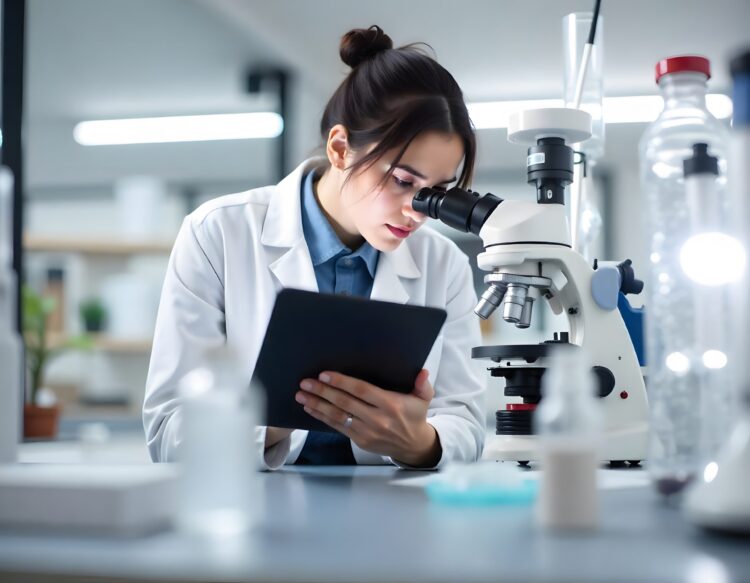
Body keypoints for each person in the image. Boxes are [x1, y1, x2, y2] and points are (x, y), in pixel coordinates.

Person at [143, 25, 485, 470]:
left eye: (435, 191)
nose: (417, 211)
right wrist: (284, 416)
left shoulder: (444, 264)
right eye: (403, 181)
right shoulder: (217, 233)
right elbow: (168, 431)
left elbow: (467, 422)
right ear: (341, 148)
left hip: (390, 515)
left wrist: (418, 441)